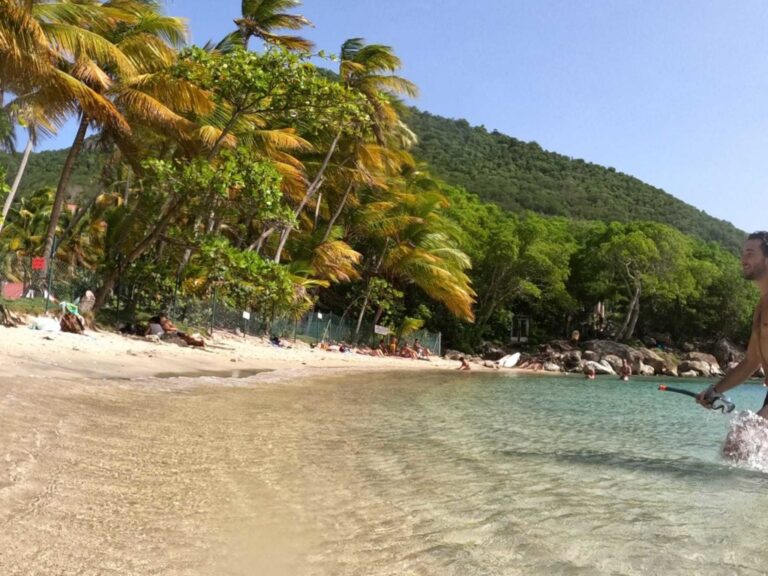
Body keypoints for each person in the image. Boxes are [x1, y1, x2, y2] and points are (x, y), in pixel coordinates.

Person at [697, 232, 768, 418]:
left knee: (740, 440)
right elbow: (751, 361)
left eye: (750, 253)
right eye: (743, 253)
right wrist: (715, 390)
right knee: (741, 443)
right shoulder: (761, 306)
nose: (743, 259)